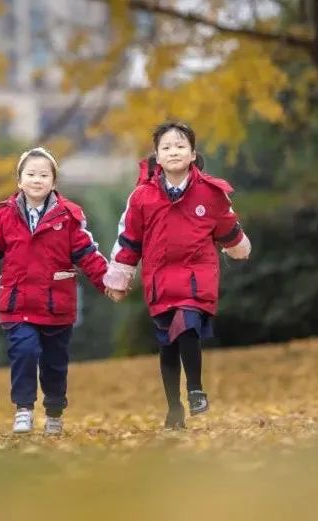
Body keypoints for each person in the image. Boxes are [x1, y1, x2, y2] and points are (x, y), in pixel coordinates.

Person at [103, 122, 251, 429]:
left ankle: (195, 389)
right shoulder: (142, 197)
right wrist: (119, 278)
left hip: (197, 278)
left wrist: (238, 247)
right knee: (167, 346)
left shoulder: (211, 193)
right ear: (157, 155)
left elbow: (227, 226)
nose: (174, 152)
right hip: (159, 280)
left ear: (193, 154)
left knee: (187, 326)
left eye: (181, 146)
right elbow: (130, 240)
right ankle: (174, 408)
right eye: (167, 147)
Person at [0, 147, 110, 435]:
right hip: (17, 303)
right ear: (19, 181)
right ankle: (23, 409)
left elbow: (89, 254)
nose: (37, 180)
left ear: (53, 182)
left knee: (54, 363)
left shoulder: (69, 217)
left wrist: (108, 283)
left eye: (43, 175)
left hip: (57, 306)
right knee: (24, 351)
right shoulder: (4, 216)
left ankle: (54, 411)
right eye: (31, 174)